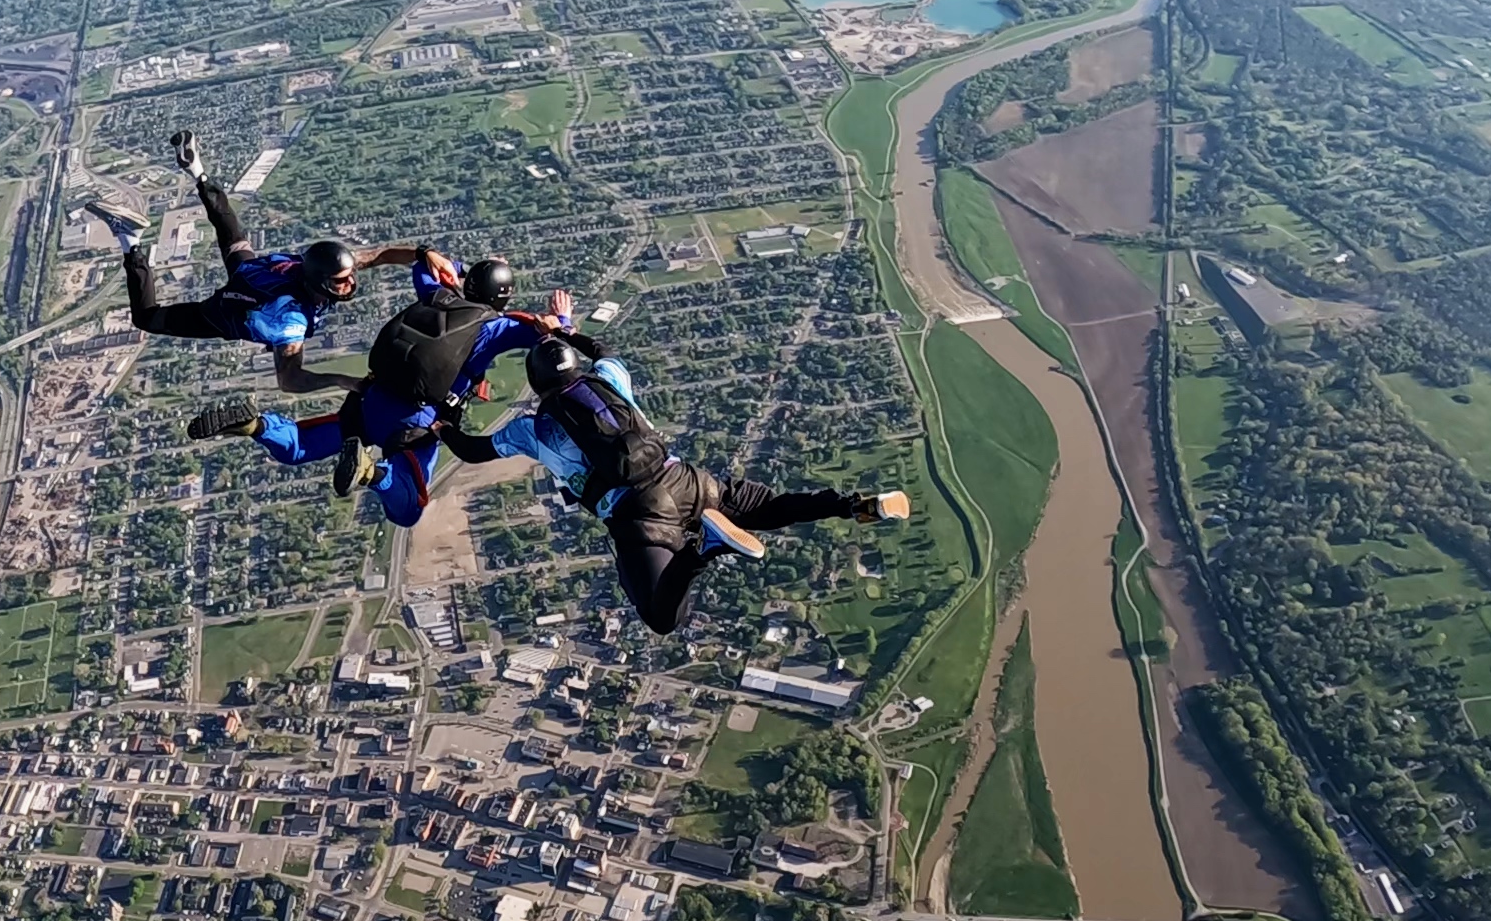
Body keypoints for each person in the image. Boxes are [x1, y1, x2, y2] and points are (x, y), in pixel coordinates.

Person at [434, 335, 908, 634]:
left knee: (663, 618)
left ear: (536, 383)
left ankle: (704, 549)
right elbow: (606, 350)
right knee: (774, 508)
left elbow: (473, 450)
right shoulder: (608, 381)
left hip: (640, 513)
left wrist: (444, 426)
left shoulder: (532, 429)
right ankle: (858, 505)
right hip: (686, 480)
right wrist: (565, 330)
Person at [186, 254, 574, 527]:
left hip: (369, 398)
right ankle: (372, 473)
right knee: (408, 508)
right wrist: (563, 317)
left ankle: (256, 425)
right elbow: (556, 339)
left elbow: (424, 265)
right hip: (415, 420)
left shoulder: (435, 294)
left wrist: (456, 267)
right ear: (501, 298)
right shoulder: (498, 327)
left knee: (300, 447)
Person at [83, 129, 427, 397]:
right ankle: (130, 240)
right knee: (146, 318)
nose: (350, 283)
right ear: (321, 282)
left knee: (231, 233)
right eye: (341, 280)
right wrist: (342, 380)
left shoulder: (315, 265)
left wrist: (424, 255)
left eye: (349, 275)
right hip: (222, 315)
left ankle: (197, 171)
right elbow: (290, 380)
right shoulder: (290, 323)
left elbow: (380, 255)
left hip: (252, 275)